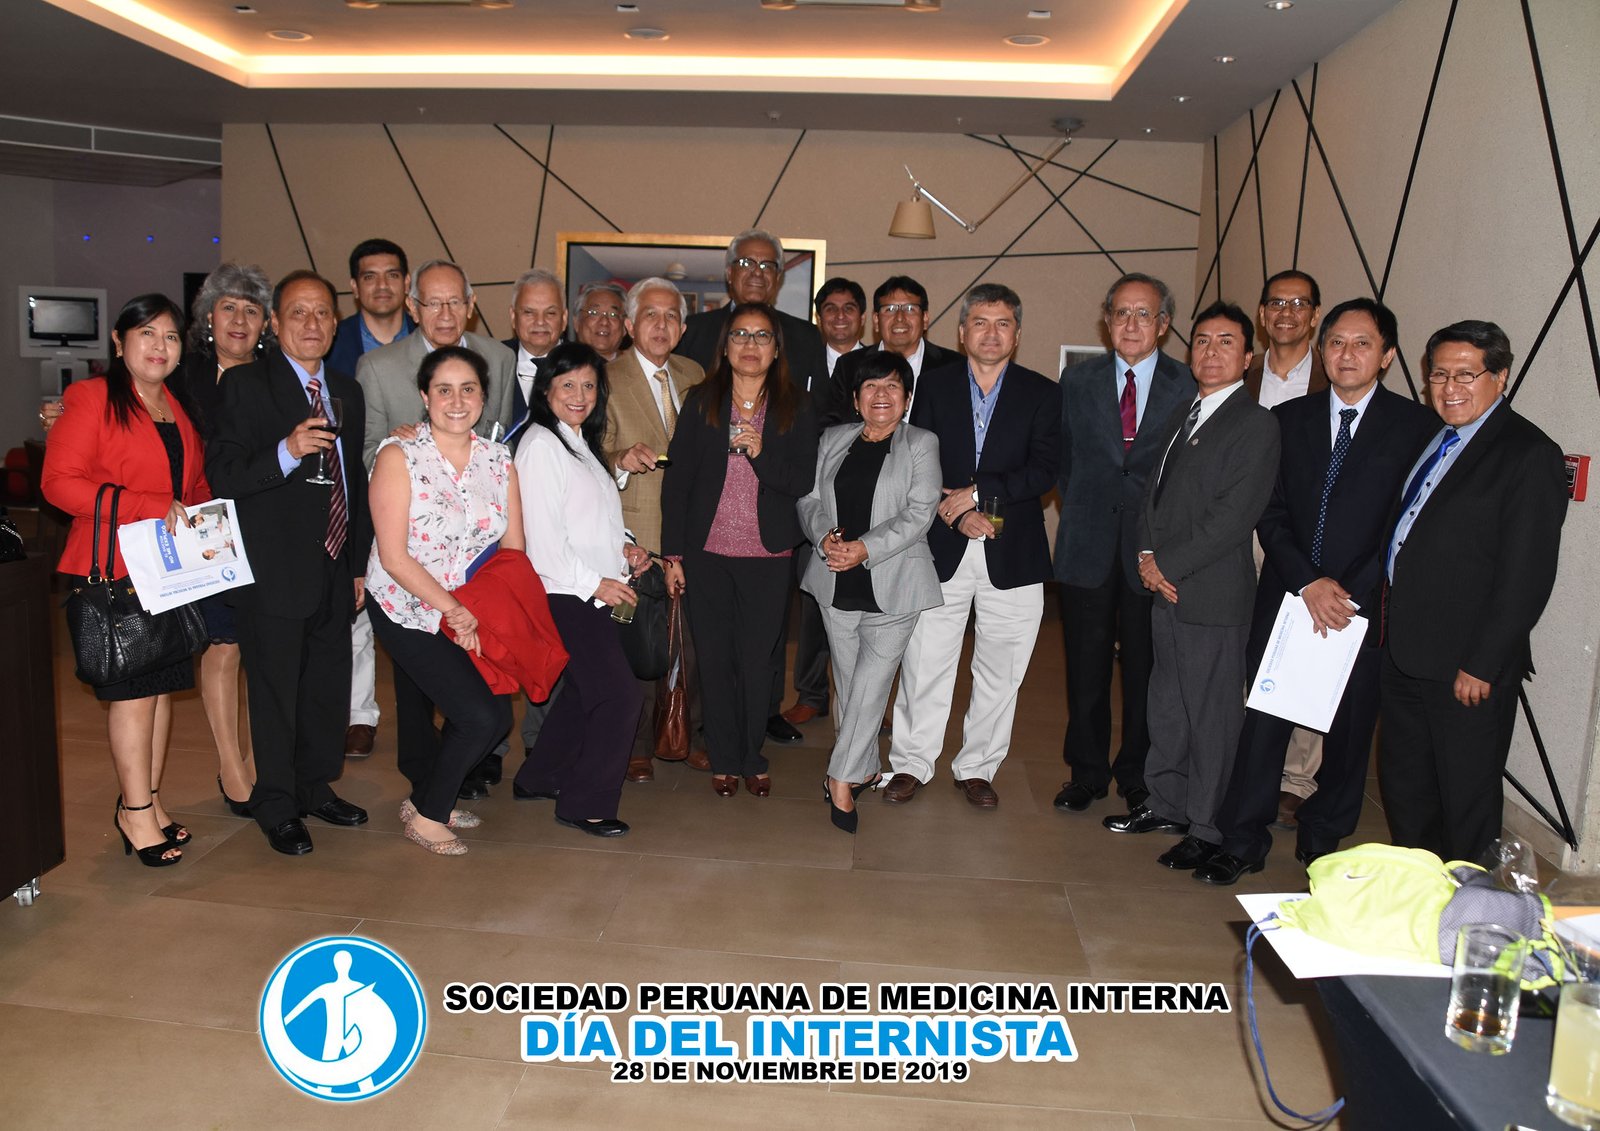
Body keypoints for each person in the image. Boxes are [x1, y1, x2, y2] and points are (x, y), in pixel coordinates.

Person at [1195, 298, 1437, 884]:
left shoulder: (1417, 428)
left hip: (1361, 604)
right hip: (1289, 593)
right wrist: (1307, 580)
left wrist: (1346, 590)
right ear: (1321, 351)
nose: (1346, 354)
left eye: (1362, 343)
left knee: (1349, 730)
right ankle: (1242, 839)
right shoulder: (1286, 419)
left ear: (1387, 355)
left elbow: (1409, 521)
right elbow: (1269, 510)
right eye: (1336, 343)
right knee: (1265, 723)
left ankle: (1324, 839)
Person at [1103, 301, 1280, 875]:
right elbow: (1152, 497)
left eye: (1226, 342)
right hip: (1168, 588)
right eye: (1202, 340)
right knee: (1169, 705)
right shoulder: (1186, 411)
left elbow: (1233, 516)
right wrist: (1146, 558)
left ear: (1248, 358)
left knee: (1212, 718)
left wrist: (1167, 565)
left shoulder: (1255, 425)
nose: (1211, 351)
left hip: (1212, 594)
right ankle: (1166, 804)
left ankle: (1207, 827)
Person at [1380, 320, 1567, 862]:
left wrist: (1482, 663)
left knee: (1465, 799)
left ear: (1500, 376)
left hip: (1466, 667)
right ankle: (1421, 888)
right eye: (1439, 374)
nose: (1449, 387)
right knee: (1407, 788)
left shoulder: (1528, 452)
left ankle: (1470, 900)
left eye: (1466, 375)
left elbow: (1527, 576)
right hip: (1406, 651)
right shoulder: (1436, 437)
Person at [206, 270, 372, 857]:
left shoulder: (347, 390)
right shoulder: (246, 385)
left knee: (326, 685)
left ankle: (313, 786)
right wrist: (287, 450)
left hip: (334, 561)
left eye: (322, 312)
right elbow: (224, 475)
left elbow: (354, 482)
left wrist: (358, 563)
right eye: (298, 312)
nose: (311, 323)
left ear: (336, 323)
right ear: (275, 324)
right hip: (274, 568)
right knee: (275, 693)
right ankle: (275, 803)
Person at [42, 293, 211, 866]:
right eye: (147, 333)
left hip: (166, 571)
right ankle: (134, 813)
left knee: (160, 693)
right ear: (119, 341)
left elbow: (190, 489)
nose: (160, 346)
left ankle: (150, 801)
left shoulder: (177, 408)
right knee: (135, 696)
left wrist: (210, 519)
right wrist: (147, 504)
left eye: (171, 336)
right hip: (111, 570)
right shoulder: (91, 398)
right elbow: (59, 483)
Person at [883, 283, 1059, 809]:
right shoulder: (932, 387)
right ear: (962, 332)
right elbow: (916, 460)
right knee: (925, 661)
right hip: (942, 544)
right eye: (980, 322)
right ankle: (911, 763)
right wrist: (958, 514)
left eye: (1003, 323)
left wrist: (978, 494)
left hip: (1015, 549)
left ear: (1017, 334)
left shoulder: (1043, 392)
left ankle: (978, 767)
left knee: (1002, 669)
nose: (991, 333)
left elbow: (1045, 470)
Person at [357, 258, 516, 799]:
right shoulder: (380, 370)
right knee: (425, 692)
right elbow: (366, 454)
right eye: (433, 302)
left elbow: (497, 441)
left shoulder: (499, 363)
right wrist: (409, 455)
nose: (445, 313)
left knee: (484, 708)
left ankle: (446, 780)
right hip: (409, 574)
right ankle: (425, 786)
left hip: (469, 570)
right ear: (413, 306)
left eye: (455, 302)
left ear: (470, 305)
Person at [674, 229, 829, 746]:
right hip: (709, 531)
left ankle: (759, 723)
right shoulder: (697, 339)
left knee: (765, 643)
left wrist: (769, 455)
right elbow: (683, 463)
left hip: (771, 528)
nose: (757, 273)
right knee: (712, 646)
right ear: (728, 273)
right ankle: (714, 733)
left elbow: (809, 444)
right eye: (746, 263)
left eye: (768, 265)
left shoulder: (803, 343)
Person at [661, 304, 819, 797]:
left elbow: (801, 480)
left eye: (762, 336)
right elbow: (678, 481)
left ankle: (753, 757)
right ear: (725, 346)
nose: (750, 345)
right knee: (714, 660)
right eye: (740, 335)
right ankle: (724, 758)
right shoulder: (701, 400)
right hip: (706, 552)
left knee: (757, 663)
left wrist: (760, 454)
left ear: (776, 349)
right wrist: (673, 555)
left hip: (767, 555)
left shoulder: (796, 406)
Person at [1052, 273, 1194, 815]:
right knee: (1084, 667)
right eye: (1121, 313)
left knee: (1146, 669)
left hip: (1154, 549)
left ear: (1164, 324)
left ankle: (1138, 773)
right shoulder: (1076, 381)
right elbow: (1064, 460)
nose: (1131, 324)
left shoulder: (1188, 384)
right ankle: (1086, 773)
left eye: (1144, 314)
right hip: (1087, 541)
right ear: (1107, 321)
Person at [796, 351, 941, 834]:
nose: (882, 394)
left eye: (892, 386)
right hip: (835, 577)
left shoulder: (921, 443)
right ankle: (864, 769)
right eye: (871, 387)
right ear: (857, 400)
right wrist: (825, 540)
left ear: (907, 397)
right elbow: (810, 499)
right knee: (849, 682)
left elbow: (920, 512)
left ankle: (839, 778)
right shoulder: (833, 439)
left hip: (895, 582)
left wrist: (863, 549)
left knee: (871, 684)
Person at [513, 342, 647, 837]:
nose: (580, 394)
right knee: (619, 697)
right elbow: (543, 542)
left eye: (589, 385)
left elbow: (592, 518)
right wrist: (598, 583)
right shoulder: (540, 446)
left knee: (581, 692)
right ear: (546, 389)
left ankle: (539, 776)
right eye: (568, 384)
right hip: (564, 594)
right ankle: (584, 803)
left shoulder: (577, 441)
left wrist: (626, 546)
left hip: (589, 590)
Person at [167, 263, 274, 817]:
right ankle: (233, 768)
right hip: (204, 527)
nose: (239, 319)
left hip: (266, 527)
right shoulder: (180, 375)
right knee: (224, 644)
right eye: (228, 307)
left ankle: (262, 761)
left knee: (268, 650)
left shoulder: (278, 377)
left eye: (251, 310)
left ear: (265, 323)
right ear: (209, 317)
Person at [602, 277, 706, 783]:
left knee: (693, 642)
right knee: (640, 644)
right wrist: (619, 458)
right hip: (633, 534)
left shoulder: (695, 374)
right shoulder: (603, 378)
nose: (661, 325)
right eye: (650, 314)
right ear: (629, 324)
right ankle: (636, 744)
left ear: (682, 329)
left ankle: (689, 734)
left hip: (693, 530)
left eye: (671, 317)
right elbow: (583, 452)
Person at [1246, 269, 1328, 830]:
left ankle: (1296, 779)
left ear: (1314, 315)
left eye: (1299, 304)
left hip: (1302, 535)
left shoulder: (1333, 376)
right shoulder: (1240, 373)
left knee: (1304, 652)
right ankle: (1246, 759)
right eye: (1277, 302)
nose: (1286, 312)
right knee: (1244, 647)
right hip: (1240, 532)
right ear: (1262, 313)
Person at [326, 237, 414, 761]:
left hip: (418, 503)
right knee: (354, 608)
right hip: (348, 491)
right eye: (369, 276)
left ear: (406, 283)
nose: (382, 285)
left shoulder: (426, 338)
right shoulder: (330, 340)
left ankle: (423, 714)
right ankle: (359, 715)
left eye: (392, 275)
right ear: (354, 287)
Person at [817, 275, 962, 428]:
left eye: (910, 309)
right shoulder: (849, 366)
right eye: (890, 309)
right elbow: (829, 427)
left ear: (925, 319)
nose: (899, 318)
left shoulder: (953, 367)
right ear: (876, 320)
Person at [503, 268, 569, 447]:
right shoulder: (491, 361)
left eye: (550, 313)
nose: (540, 321)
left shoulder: (586, 366)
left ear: (564, 318)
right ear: (513, 316)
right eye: (529, 312)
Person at [815, 277, 866, 377]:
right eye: (831, 309)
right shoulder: (803, 366)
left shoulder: (881, 362)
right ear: (819, 319)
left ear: (862, 318)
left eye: (848, 309)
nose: (840, 316)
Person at [573, 282, 627, 362]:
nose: (604, 322)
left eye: (613, 314)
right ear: (576, 323)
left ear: (624, 327)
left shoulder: (636, 367)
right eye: (594, 313)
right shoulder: (559, 364)